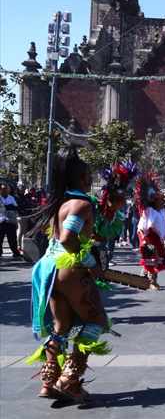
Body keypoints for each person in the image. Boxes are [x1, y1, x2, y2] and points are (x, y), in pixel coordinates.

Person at [25, 148, 112, 403]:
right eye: (87, 175)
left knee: (61, 326)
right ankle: (70, 380)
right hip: (68, 268)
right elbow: (67, 238)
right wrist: (89, 262)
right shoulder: (81, 203)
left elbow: (66, 233)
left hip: (48, 269)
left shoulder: (61, 203)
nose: (90, 180)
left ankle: (48, 381)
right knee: (96, 320)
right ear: (80, 177)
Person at [135, 173, 165, 289]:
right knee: (152, 258)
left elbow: (163, 226)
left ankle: (145, 275)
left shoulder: (161, 211)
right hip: (149, 239)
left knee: (157, 258)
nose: (163, 203)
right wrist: (145, 240)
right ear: (155, 201)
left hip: (157, 239)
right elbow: (142, 227)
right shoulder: (149, 211)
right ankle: (152, 281)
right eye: (160, 201)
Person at [0, 183, 23, 258]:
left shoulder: (11, 198)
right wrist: (9, 207)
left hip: (10, 221)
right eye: (3, 189)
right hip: (1, 221)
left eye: (6, 189)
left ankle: (15, 252)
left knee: (12, 238)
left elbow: (15, 207)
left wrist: (10, 207)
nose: (4, 191)